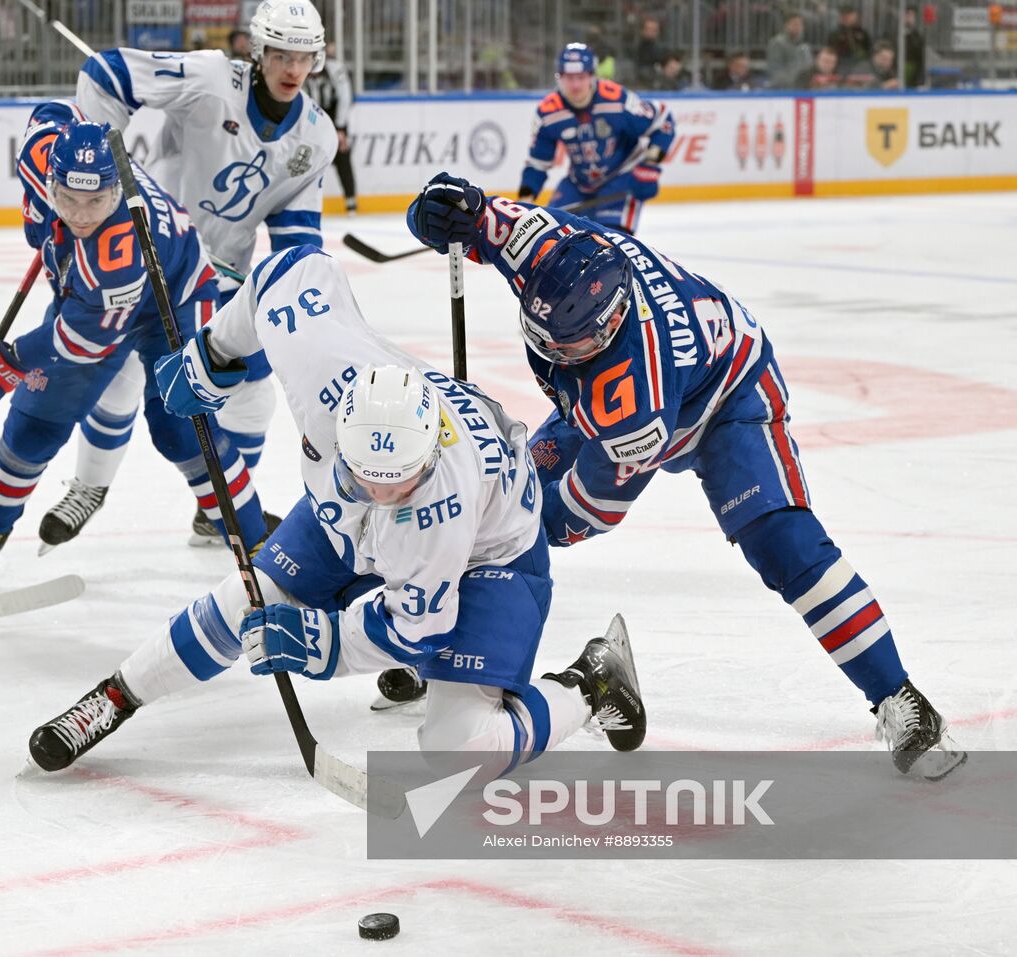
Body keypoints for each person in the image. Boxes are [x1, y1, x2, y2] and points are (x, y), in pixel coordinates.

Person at [403, 174, 967, 781]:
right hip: (604, 396)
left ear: (612, 324)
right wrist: (437, 214)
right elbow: (473, 219)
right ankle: (440, 642)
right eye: (548, 344)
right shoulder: (547, 247)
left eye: (574, 347)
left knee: (783, 543)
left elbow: (592, 510)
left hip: (728, 397)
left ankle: (899, 697)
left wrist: (503, 532)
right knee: (500, 500)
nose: (555, 356)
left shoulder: (633, 403)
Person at [25, 246, 647, 775]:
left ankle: (594, 682)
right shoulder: (325, 377)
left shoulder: (435, 512)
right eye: (365, 476)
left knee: (460, 751)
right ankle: (116, 695)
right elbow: (288, 272)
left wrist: (320, 643)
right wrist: (215, 350)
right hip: (345, 523)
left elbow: (415, 625)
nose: (381, 493)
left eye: (397, 484)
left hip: (491, 556)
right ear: (340, 429)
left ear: (428, 458)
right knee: (243, 601)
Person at [40, 0, 338, 552]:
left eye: (303, 57)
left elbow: (296, 234)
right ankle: (88, 486)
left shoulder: (316, 139)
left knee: (252, 392)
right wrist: (108, 163)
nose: (291, 69)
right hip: (151, 260)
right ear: (258, 50)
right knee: (125, 375)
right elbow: (107, 72)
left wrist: (295, 302)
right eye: (280, 54)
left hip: (224, 281)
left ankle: (223, 507)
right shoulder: (208, 78)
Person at [0, 111, 274, 582]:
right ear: (49, 176)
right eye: (67, 198)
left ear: (116, 191)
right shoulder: (41, 154)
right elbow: (53, 115)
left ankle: (253, 539)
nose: (79, 213)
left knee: (183, 427)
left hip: (172, 301)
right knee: (34, 424)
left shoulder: (118, 249)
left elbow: (80, 342)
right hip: (89, 303)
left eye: (95, 201)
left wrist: (5, 361)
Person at [517, 42, 675, 236]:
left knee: (611, 244)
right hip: (578, 183)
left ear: (592, 75)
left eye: (581, 77)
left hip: (621, 178)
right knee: (553, 235)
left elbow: (662, 120)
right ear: (559, 77)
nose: (575, 85)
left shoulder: (617, 100)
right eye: (568, 78)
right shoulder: (548, 112)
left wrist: (650, 165)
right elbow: (537, 164)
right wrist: (523, 206)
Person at [305, 41, 357, 214]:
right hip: (309, 122)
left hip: (333, 120)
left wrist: (340, 127)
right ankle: (306, 202)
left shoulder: (335, 68)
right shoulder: (299, 67)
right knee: (306, 161)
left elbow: (345, 97)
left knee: (342, 158)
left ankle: (351, 202)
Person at [767, 12, 812, 89]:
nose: (798, 27)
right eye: (795, 24)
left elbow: (809, 67)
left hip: (803, 89)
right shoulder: (777, 44)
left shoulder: (805, 46)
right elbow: (776, 71)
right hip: (783, 91)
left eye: (800, 24)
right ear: (786, 25)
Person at [827, 4, 871, 72]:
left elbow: (868, 50)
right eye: (843, 15)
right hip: (839, 65)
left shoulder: (862, 33)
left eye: (849, 14)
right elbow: (830, 51)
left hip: (860, 64)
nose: (846, 17)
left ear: (855, 16)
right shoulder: (835, 34)